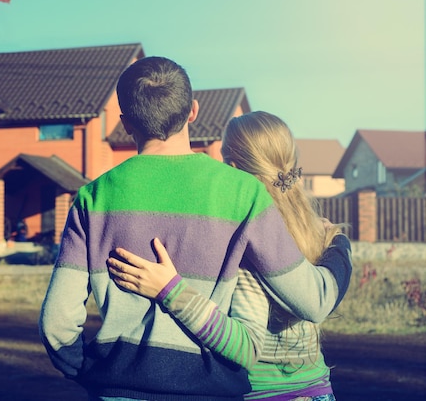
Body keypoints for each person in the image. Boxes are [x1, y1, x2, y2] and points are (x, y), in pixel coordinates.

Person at [39, 57, 352, 401]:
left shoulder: (92, 199)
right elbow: (311, 300)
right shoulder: (242, 193)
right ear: (193, 112)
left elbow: (57, 323)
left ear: (126, 123)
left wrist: (90, 370)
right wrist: (338, 243)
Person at [106, 111, 350, 401]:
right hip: (318, 391)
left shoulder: (244, 243)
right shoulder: (320, 233)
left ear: (233, 167)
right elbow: (323, 293)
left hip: (261, 393)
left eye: (223, 159)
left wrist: (171, 291)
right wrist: (340, 244)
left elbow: (244, 347)